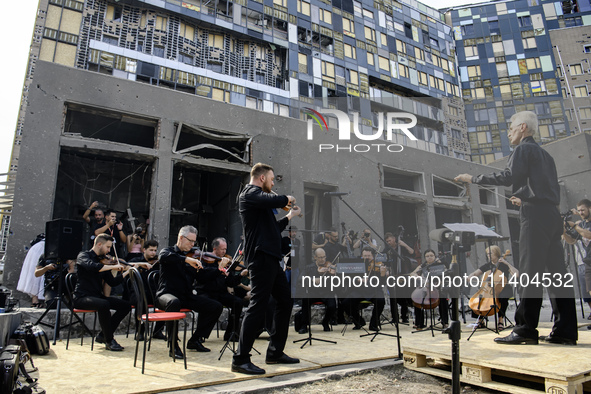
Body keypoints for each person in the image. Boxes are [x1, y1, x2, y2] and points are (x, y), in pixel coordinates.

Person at [455, 110, 578, 345]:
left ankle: (524, 329)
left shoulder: (522, 149)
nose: (508, 132)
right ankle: (566, 331)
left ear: (523, 127)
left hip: (535, 216)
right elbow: (542, 189)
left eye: (511, 127)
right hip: (551, 214)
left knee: (531, 272)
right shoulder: (546, 156)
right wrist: (525, 198)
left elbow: (508, 176)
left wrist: (474, 178)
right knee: (558, 275)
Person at [231, 162, 301, 375]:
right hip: (260, 258)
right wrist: (287, 199)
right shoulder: (249, 194)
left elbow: (274, 228)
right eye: (271, 180)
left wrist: (290, 216)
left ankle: (274, 352)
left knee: (285, 300)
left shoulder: (260, 204)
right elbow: (275, 199)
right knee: (258, 306)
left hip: (271, 258)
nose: (273, 183)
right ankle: (240, 359)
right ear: (262, 178)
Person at [157, 226, 224, 359]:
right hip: (165, 295)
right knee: (173, 302)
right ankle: (173, 345)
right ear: (181, 238)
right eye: (190, 241)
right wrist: (186, 259)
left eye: (194, 242)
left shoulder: (192, 257)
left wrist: (218, 269)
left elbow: (202, 277)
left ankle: (195, 340)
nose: (193, 245)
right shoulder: (169, 251)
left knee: (215, 306)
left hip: (185, 296)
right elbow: (163, 256)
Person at [73, 234, 131, 351]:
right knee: (104, 304)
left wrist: (126, 272)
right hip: (82, 297)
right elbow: (92, 266)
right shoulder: (84, 255)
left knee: (126, 306)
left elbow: (112, 282)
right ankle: (109, 340)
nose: (109, 251)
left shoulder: (104, 261)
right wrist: (109, 267)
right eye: (108, 247)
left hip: (97, 297)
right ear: (99, 244)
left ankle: (103, 335)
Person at [198, 237, 246, 341]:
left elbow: (230, 283)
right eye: (222, 249)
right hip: (206, 291)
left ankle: (230, 333)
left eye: (225, 249)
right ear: (215, 249)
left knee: (238, 302)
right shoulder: (205, 259)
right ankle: (200, 335)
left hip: (220, 293)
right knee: (209, 304)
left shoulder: (226, 262)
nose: (224, 252)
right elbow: (203, 278)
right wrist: (219, 268)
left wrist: (240, 275)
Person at [467, 245, 519, 329]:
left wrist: (507, 263)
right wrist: (470, 276)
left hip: (503, 288)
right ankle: (481, 321)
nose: (488, 255)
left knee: (503, 298)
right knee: (479, 298)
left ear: (496, 253)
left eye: (490, 253)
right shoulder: (487, 265)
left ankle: (500, 320)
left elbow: (516, 274)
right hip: (490, 288)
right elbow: (476, 273)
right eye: (487, 254)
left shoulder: (504, 265)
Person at [127, 239, 164, 340]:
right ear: (144, 250)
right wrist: (139, 265)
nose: (153, 253)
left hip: (152, 293)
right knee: (141, 301)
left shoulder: (157, 264)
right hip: (137, 292)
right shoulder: (136, 261)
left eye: (155, 250)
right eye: (151, 250)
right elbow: (127, 265)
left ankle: (158, 331)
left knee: (166, 301)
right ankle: (140, 331)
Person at [563, 199, 591, 318]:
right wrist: (563, 231)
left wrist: (573, 225)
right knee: (587, 292)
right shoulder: (582, 224)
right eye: (579, 210)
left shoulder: (583, 225)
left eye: (583, 210)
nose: (581, 212)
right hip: (587, 262)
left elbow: (588, 235)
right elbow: (572, 240)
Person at [299, 248, 337, 333]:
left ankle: (325, 322)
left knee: (332, 306)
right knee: (305, 300)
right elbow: (300, 279)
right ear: (315, 257)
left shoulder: (329, 267)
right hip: (313, 293)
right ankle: (304, 325)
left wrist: (335, 276)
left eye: (324, 257)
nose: (323, 259)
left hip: (326, 292)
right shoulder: (309, 267)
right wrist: (312, 280)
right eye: (320, 257)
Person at [409, 249, 449, 330]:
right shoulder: (423, 266)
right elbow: (412, 273)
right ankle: (419, 323)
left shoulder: (440, 265)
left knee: (443, 298)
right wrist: (417, 276)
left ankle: (445, 322)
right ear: (425, 258)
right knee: (418, 299)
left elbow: (447, 273)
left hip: (438, 287)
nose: (429, 258)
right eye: (427, 256)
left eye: (431, 256)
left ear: (435, 256)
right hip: (426, 287)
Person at [383, 232, 414, 324]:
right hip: (392, 276)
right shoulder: (387, 250)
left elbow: (412, 252)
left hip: (403, 275)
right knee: (393, 297)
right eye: (387, 241)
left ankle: (404, 316)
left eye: (390, 240)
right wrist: (387, 269)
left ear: (394, 239)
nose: (388, 242)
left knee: (403, 296)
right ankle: (395, 317)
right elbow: (383, 260)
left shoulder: (402, 247)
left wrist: (404, 244)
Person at [17, 234, 46, 307]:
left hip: (40, 248)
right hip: (41, 249)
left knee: (35, 275)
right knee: (36, 275)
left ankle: (36, 300)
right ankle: (35, 300)